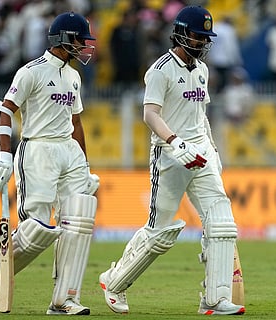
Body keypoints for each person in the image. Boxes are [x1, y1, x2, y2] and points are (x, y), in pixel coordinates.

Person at [98, 6, 245, 316]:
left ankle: (215, 299)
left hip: (201, 153)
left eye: (207, 37)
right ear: (180, 33)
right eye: (198, 36)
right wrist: (174, 141)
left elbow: (200, 116)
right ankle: (114, 282)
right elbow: (150, 114)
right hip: (169, 155)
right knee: (160, 232)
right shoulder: (160, 69)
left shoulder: (202, 70)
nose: (203, 42)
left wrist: (213, 151)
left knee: (221, 224)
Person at [0, 12, 100, 315]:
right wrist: (5, 154)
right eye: (79, 39)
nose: (84, 46)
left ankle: (64, 299)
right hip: (38, 150)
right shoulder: (30, 72)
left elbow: (76, 121)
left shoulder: (74, 76)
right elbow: (6, 111)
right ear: (63, 39)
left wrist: (84, 164)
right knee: (38, 230)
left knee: (80, 219)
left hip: (68, 150)